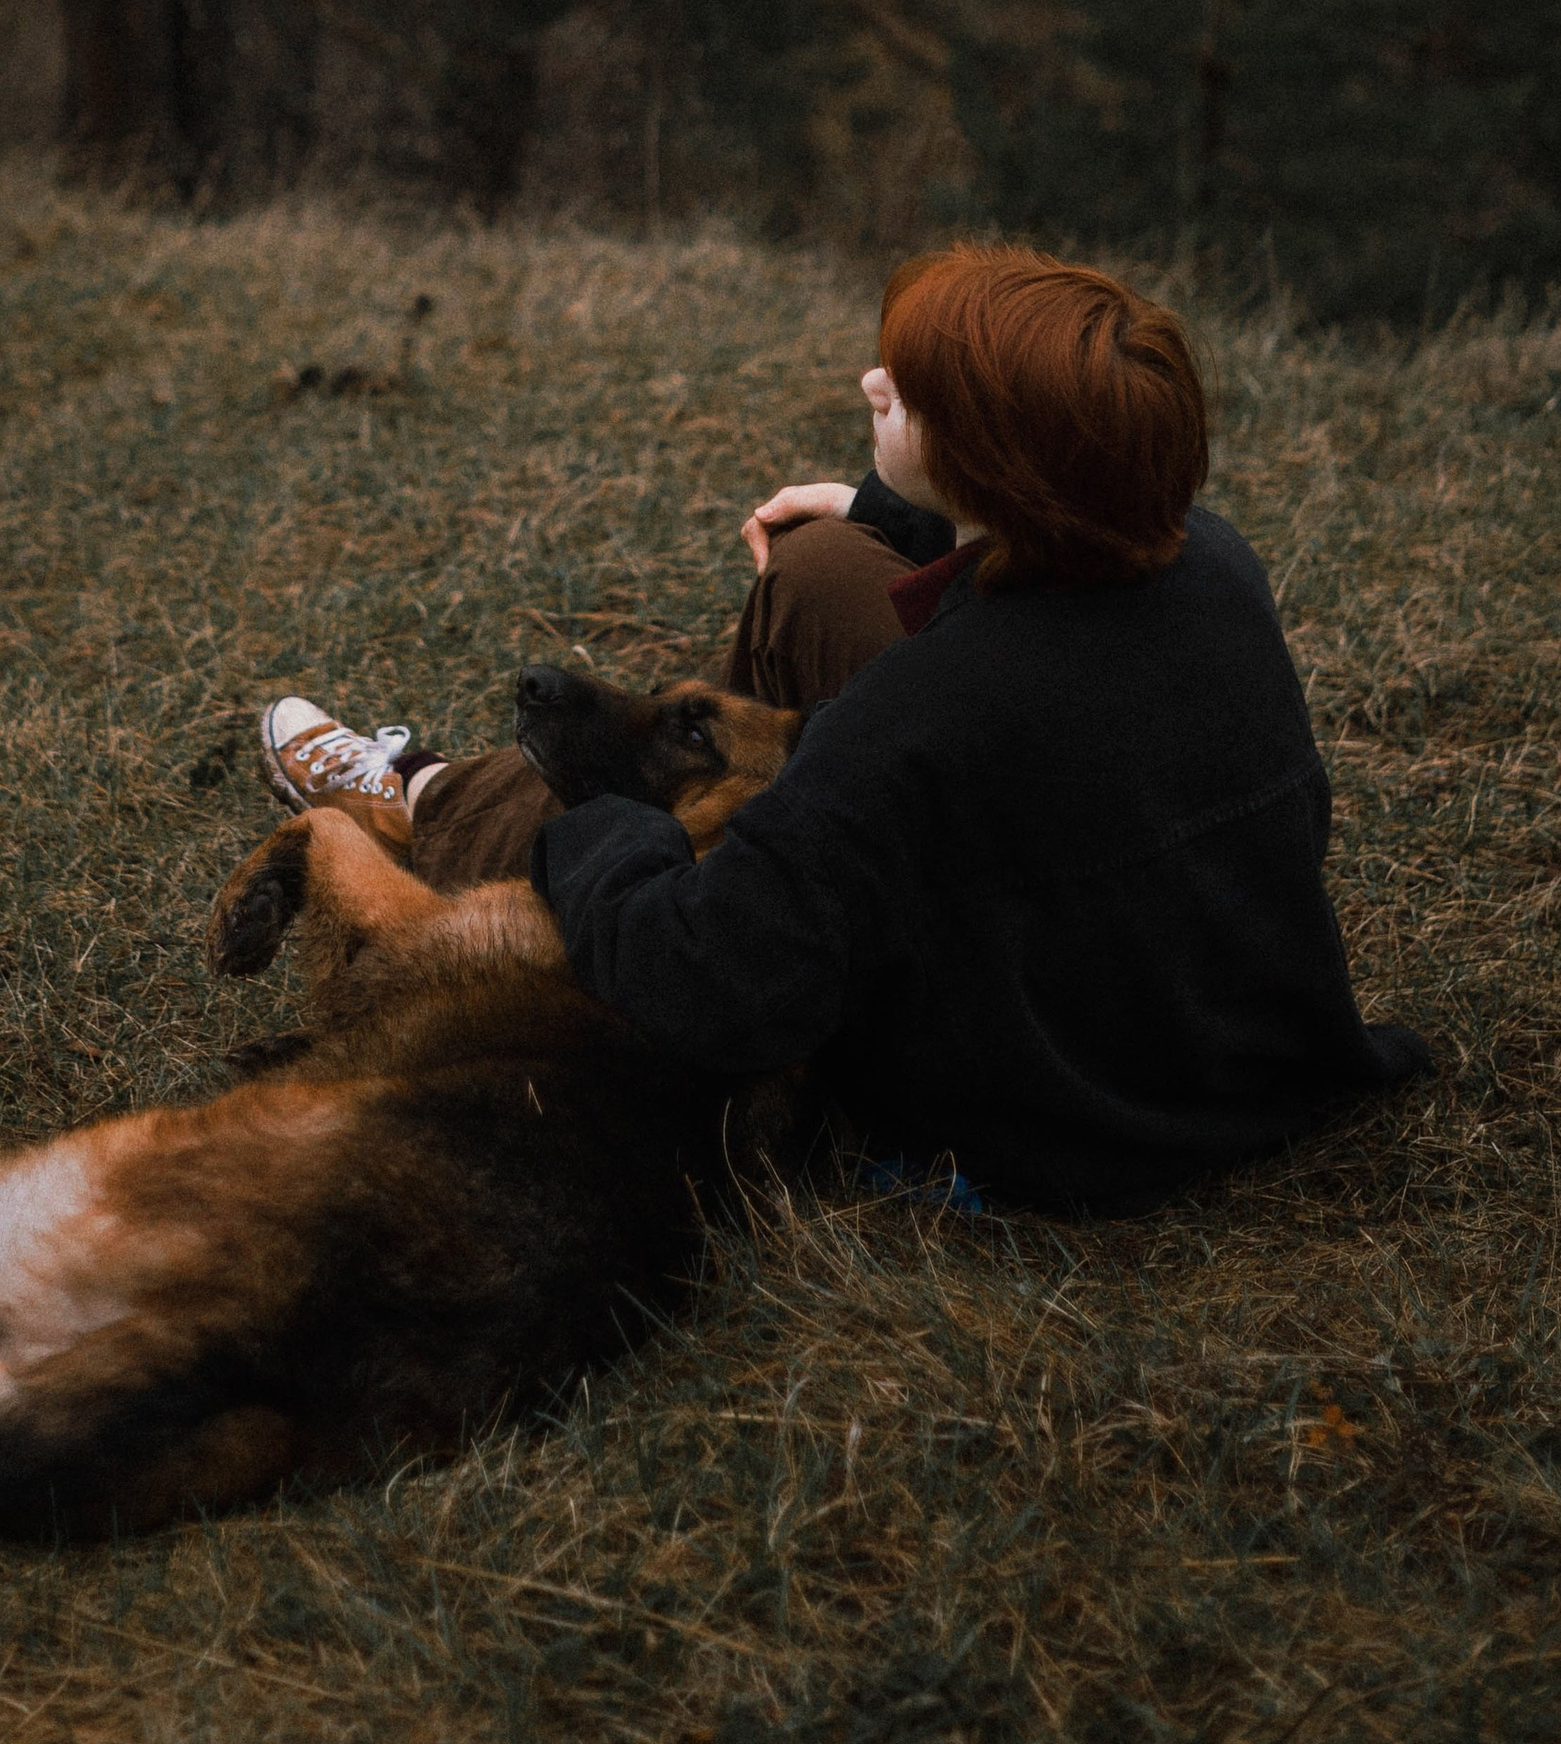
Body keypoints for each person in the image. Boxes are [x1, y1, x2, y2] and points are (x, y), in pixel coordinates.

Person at [253, 243, 1430, 1218]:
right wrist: (887, 514)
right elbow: (1065, 609)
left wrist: (607, 828)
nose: (873, 384)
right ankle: (476, 788)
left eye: (909, 395)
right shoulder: (1212, 562)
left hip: (1081, 1125)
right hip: (1218, 1029)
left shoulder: (919, 718)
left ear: (995, 467)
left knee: (604, 814)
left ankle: (434, 801)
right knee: (818, 568)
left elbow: (702, 982)